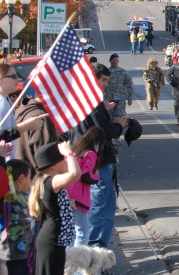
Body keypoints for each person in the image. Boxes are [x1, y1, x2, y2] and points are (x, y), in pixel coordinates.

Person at [62, 63, 127, 249]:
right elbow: (105, 131)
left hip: (84, 160)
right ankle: (94, 254)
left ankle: (90, 253)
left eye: (107, 80)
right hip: (95, 162)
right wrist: (120, 125)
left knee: (93, 208)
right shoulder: (91, 100)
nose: (106, 84)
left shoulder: (79, 99)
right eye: (103, 80)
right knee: (101, 209)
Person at [29, 141, 81, 275]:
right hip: (52, 240)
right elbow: (75, 174)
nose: (67, 161)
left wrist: (66, 203)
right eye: (64, 159)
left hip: (54, 241)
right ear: (55, 166)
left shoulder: (48, 181)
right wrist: (69, 153)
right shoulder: (51, 181)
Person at [66, 127, 104, 247]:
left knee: (70, 233)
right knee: (83, 233)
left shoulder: (76, 150)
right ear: (97, 142)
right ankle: (78, 262)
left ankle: (68, 260)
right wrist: (96, 176)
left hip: (68, 193)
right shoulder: (91, 154)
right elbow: (86, 175)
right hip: (79, 197)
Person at [0, 159, 34, 275]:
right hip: (10, 253)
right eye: (30, 177)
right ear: (22, 178)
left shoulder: (27, 195)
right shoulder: (10, 196)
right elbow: (8, 182)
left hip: (25, 252)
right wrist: (2, 159)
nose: (31, 181)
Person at [15, 94, 59, 168]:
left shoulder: (22, 110)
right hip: (36, 174)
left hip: (24, 172)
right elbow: (45, 157)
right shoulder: (41, 117)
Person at [104, 54, 133, 119]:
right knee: (109, 117)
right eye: (113, 60)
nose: (114, 61)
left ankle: (119, 128)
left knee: (120, 116)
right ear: (110, 61)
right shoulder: (106, 72)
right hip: (109, 98)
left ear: (118, 61)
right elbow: (101, 85)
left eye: (116, 59)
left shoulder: (123, 72)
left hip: (120, 99)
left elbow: (129, 85)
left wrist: (130, 98)